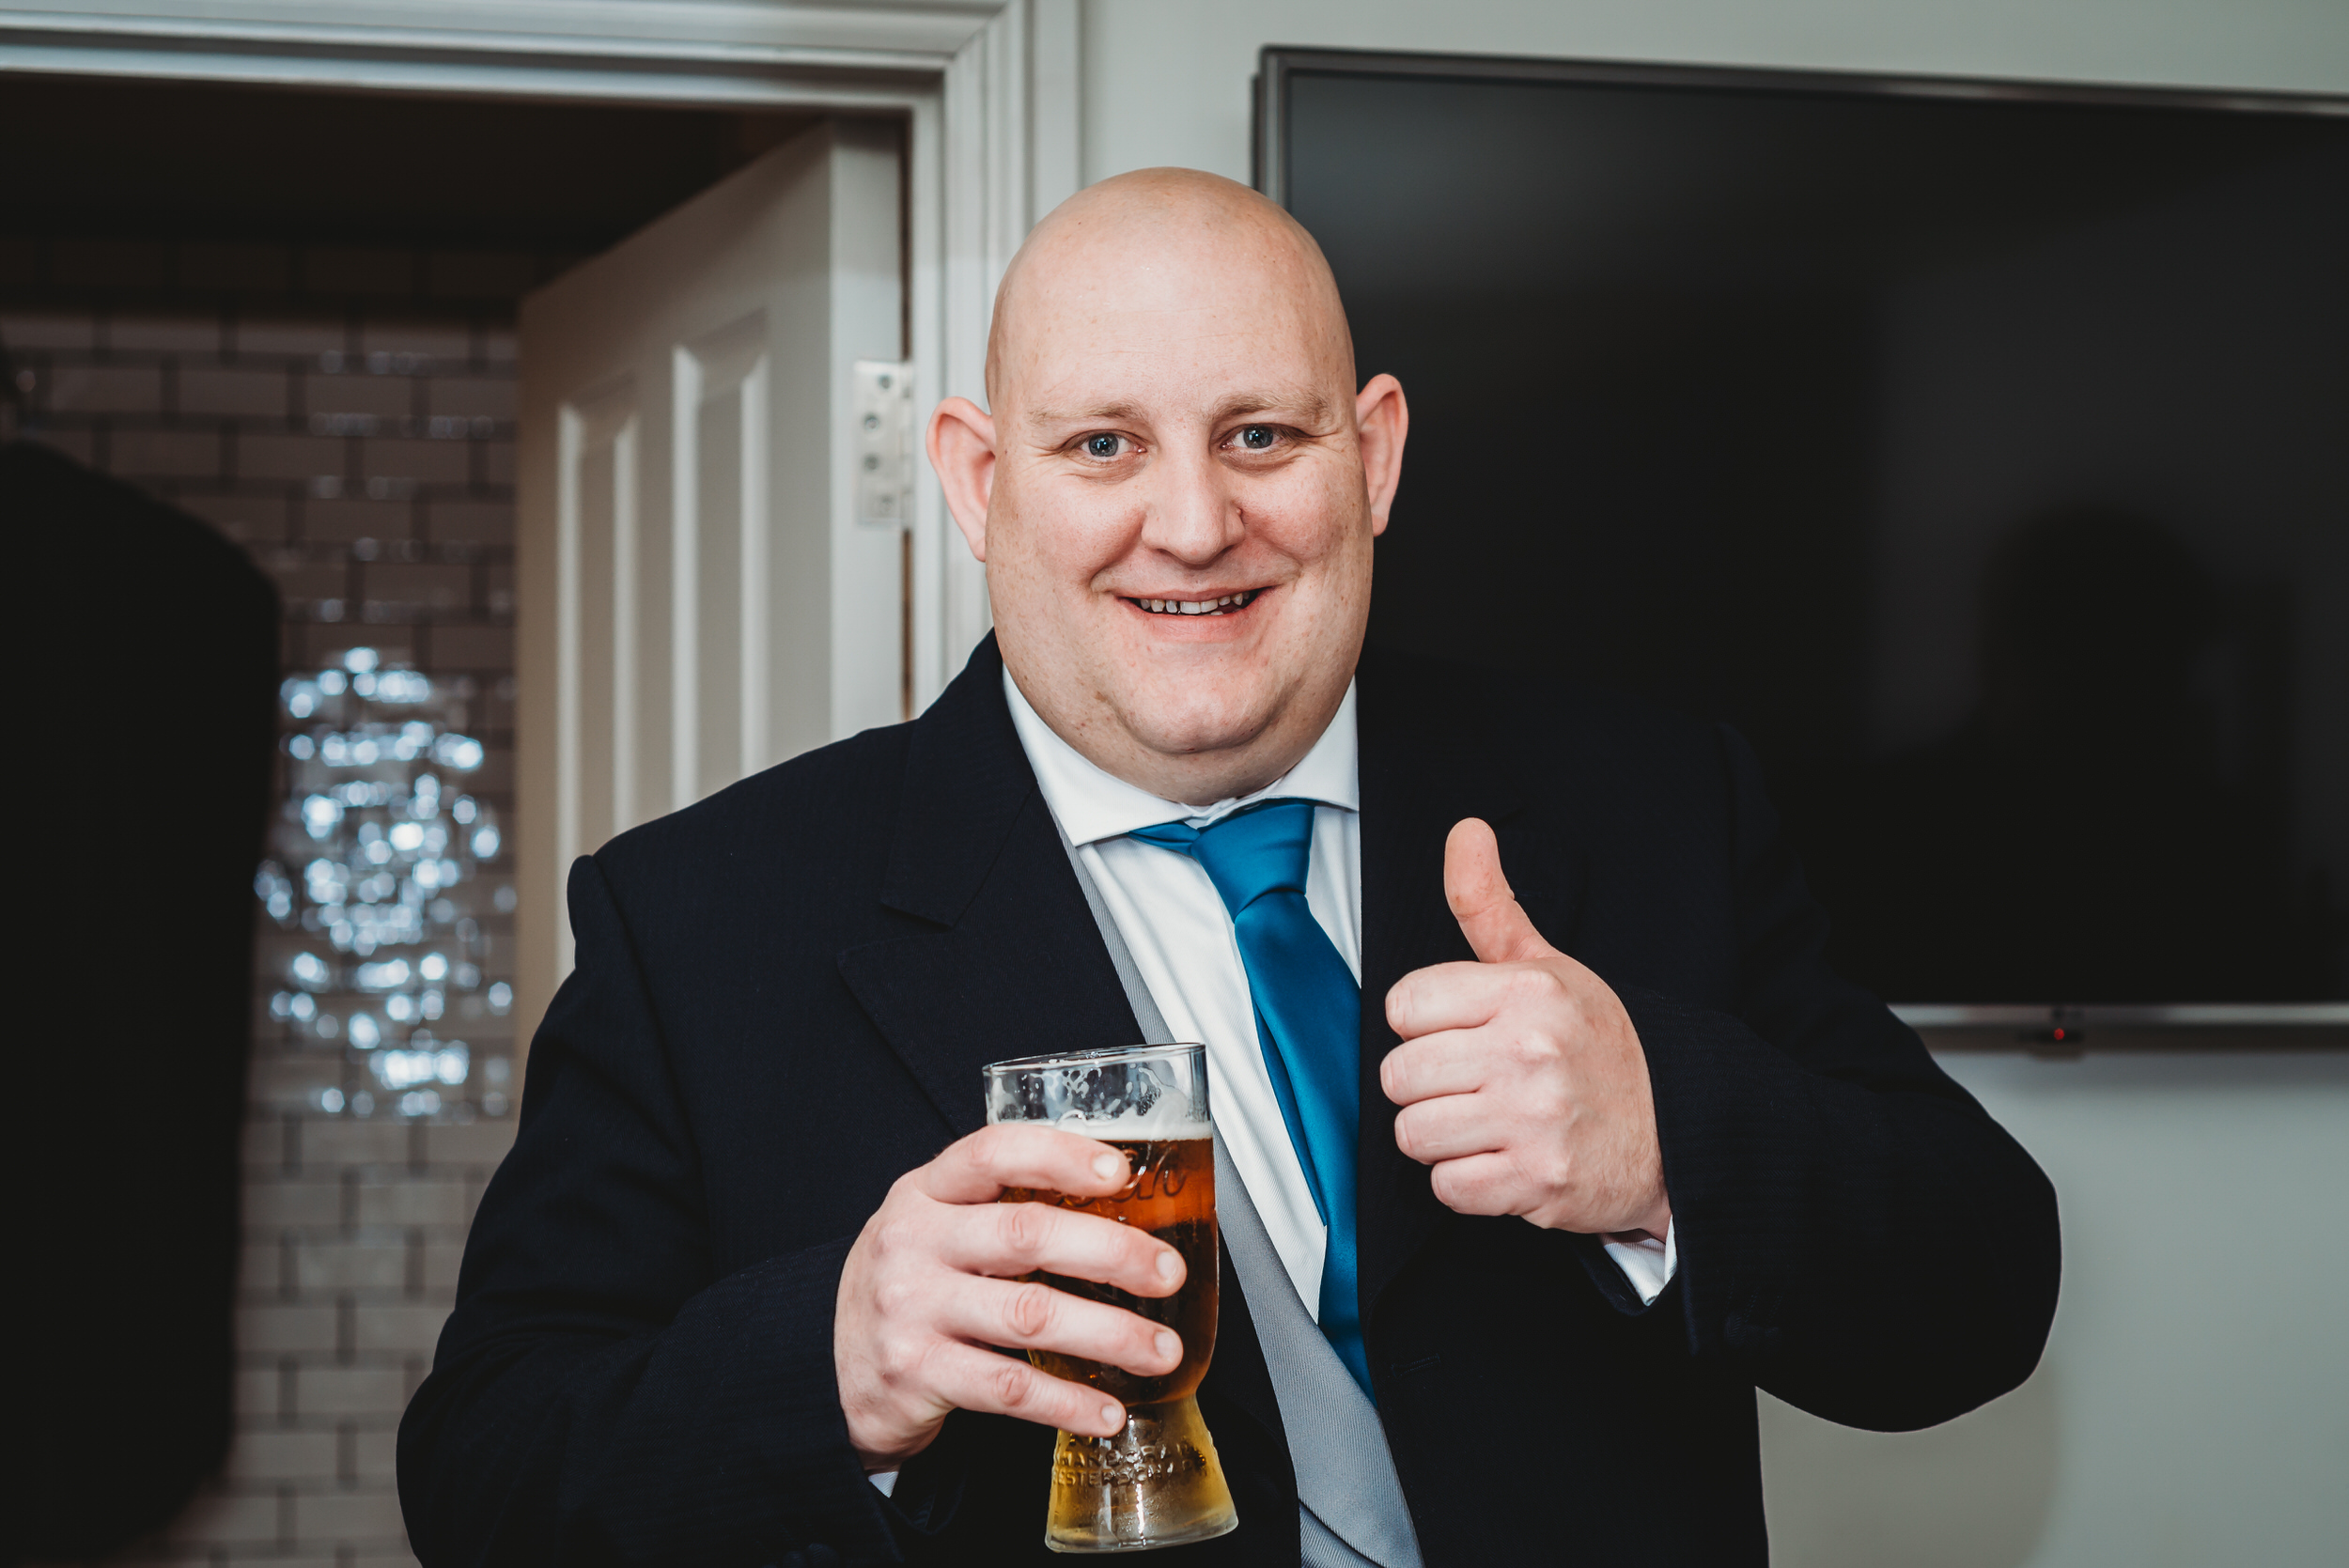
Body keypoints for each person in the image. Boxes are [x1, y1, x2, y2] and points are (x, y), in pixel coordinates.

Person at [397, 169, 2060, 1567]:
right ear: (982, 484)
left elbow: (1987, 1281)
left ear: (1376, 453)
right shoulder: (702, 921)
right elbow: (483, 1473)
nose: (1193, 526)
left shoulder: (1647, 805)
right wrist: (830, 1363)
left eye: (1259, 434)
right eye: (1104, 447)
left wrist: (1664, 1148)